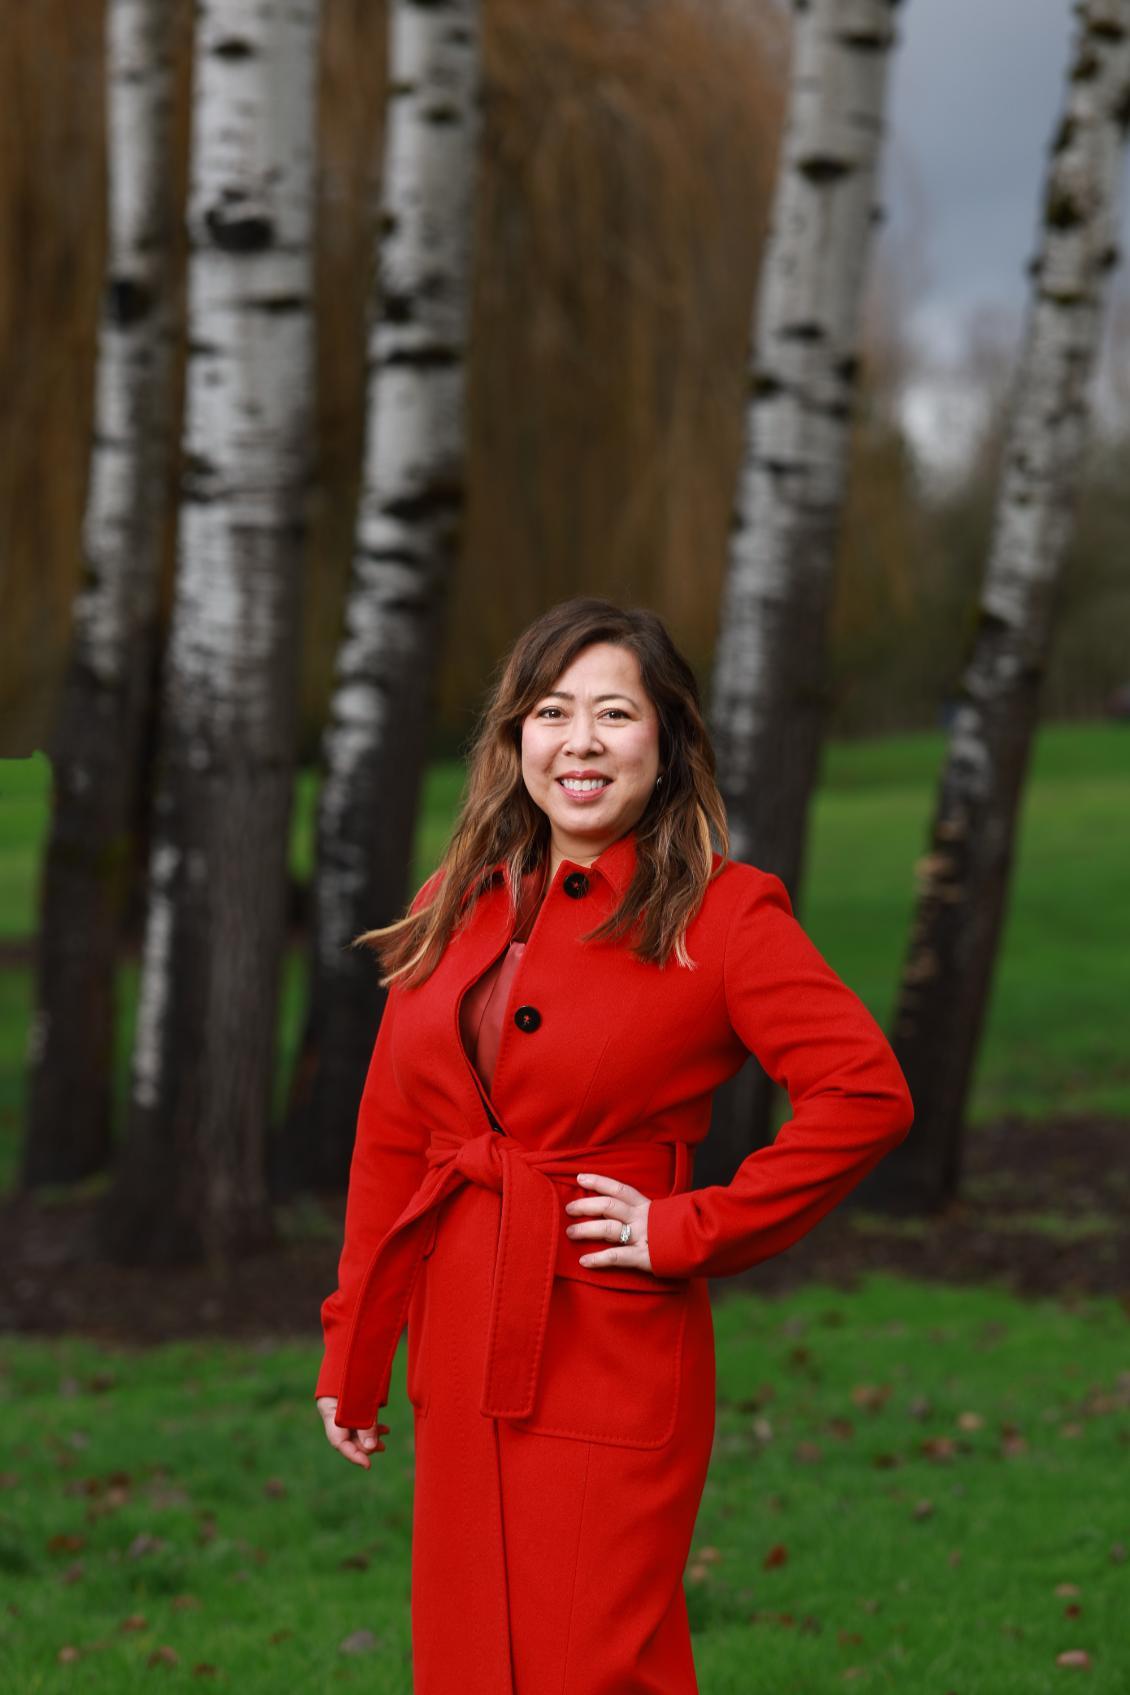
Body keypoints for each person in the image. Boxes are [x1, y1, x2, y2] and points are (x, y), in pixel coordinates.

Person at [314, 597, 914, 1694]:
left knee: (594, 1667)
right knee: (465, 1664)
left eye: (613, 713)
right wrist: (354, 1349)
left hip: (607, 1348)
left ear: (666, 741)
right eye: (551, 712)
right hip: (458, 1345)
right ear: (515, 741)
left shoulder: (724, 916)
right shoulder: (454, 902)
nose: (579, 742)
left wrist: (695, 1226)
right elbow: (394, 1135)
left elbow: (862, 1093)